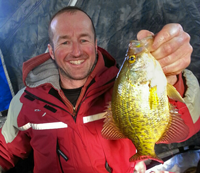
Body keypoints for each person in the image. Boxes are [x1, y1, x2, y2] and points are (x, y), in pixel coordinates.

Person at [0, 6, 200, 173]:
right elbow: (4, 152)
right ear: (51, 50)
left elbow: (189, 123)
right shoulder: (24, 103)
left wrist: (174, 80)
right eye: (65, 42)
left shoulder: (121, 86)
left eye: (84, 39)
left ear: (96, 45)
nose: (76, 51)